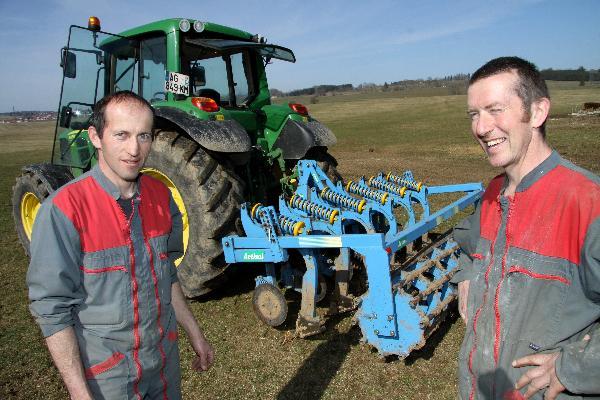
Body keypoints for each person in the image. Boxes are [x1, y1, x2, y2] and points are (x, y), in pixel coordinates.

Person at [27, 91, 214, 399]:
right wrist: (78, 391)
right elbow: (52, 309)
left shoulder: (161, 198)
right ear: (96, 137)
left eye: (143, 136)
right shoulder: (63, 211)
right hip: (108, 377)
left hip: (163, 364)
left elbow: (166, 274)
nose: (134, 149)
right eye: (121, 135)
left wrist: (195, 333)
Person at [452, 57, 600, 400]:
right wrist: (465, 275)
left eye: (494, 109)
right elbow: (467, 245)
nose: (481, 127)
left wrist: (573, 367)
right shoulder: (492, 194)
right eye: (474, 114)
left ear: (536, 112)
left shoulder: (587, 204)